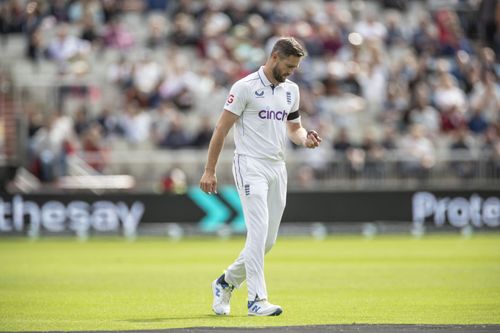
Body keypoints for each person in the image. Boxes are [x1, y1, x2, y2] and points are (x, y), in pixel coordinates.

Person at [199, 37, 322, 317]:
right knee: (256, 234)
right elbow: (221, 129)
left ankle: (226, 282)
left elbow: (294, 128)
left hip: (277, 167)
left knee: (266, 241)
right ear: (275, 57)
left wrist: (306, 140)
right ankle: (256, 300)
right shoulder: (245, 87)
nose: (292, 71)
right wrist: (209, 169)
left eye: (296, 67)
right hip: (249, 165)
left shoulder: (291, 90)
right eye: (289, 65)